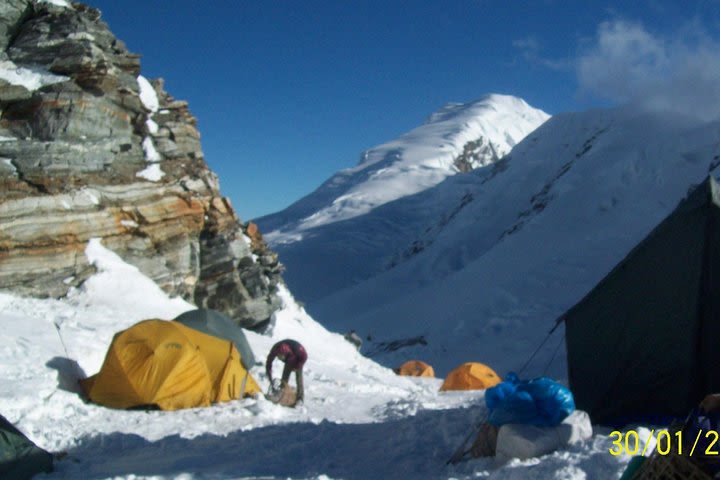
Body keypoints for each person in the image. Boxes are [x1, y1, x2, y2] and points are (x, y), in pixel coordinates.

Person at [265, 339, 307, 407]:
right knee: (285, 377)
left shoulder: (298, 349)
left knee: (299, 378)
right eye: (280, 356)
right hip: (289, 359)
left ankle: (300, 398)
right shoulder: (275, 349)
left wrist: (297, 366)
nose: (281, 358)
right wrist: (269, 375)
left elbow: (304, 356)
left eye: (283, 356)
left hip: (299, 358)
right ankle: (281, 392)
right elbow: (269, 362)